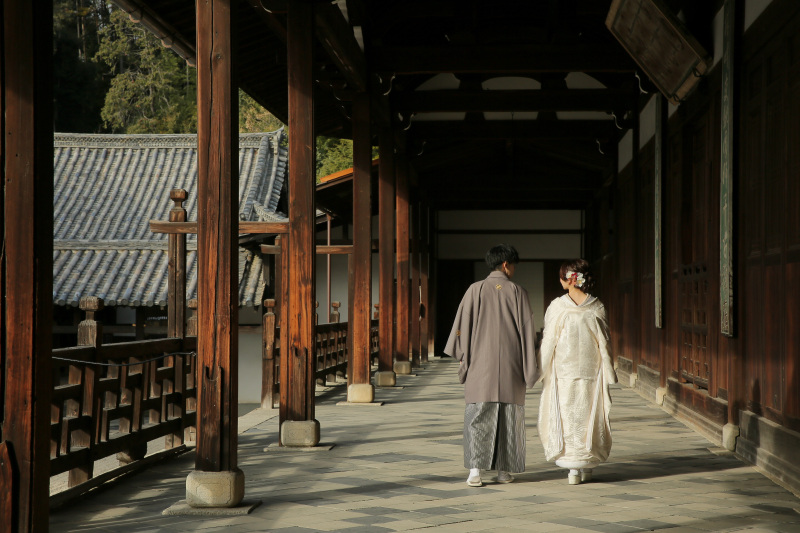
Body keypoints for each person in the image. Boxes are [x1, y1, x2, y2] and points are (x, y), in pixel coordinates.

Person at [444, 244, 540, 487]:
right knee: (509, 419)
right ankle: (503, 471)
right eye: (514, 264)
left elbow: (461, 326)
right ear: (506, 264)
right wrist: (530, 367)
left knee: (478, 416)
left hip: (480, 367)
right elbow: (528, 333)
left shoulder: (474, 290)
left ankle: (475, 471)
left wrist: (463, 355)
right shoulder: (518, 292)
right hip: (511, 366)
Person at [537, 259, 616, 485]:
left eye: (562, 277)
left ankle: (573, 469)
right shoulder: (597, 306)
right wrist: (609, 370)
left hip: (565, 371)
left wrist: (540, 369)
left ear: (569, 280)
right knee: (590, 415)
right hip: (591, 371)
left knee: (568, 418)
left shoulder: (557, 306)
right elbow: (605, 342)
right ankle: (587, 465)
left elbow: (549, 341)